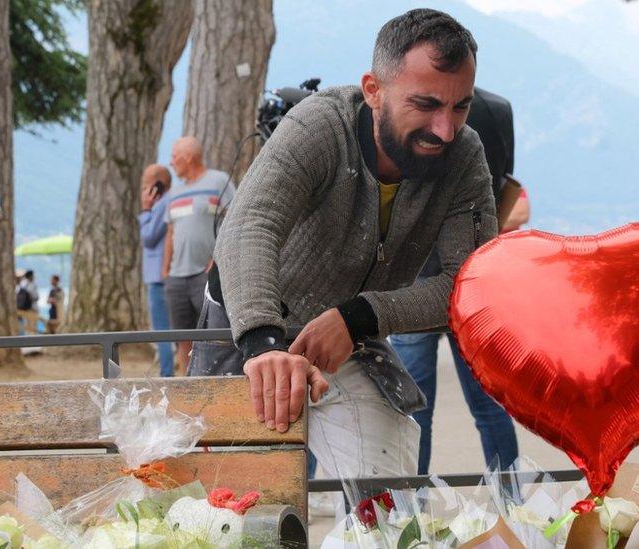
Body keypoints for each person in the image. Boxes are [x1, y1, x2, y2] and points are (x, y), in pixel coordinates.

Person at [189, 9, 496, 495]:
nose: (445, 130)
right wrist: (264, 344)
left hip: (351, 329)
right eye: (425, 104)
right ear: (373, 90)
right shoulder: (319, 126)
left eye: (461, 107)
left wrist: (358, 318)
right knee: (232, 498)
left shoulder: (465, 156)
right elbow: (249, 225)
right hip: (249, 323)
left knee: (388, 494)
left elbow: (473, 287)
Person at [388, 87, 523, 475]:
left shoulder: (414, 108)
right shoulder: (499, 108)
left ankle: (414, 507)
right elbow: (506, 181)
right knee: (488, 403)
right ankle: (513, 504)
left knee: (417, 408)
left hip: (416, 275)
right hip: (477, 277)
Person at [163, 137, 234, 373]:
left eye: (174, 157)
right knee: (181, 335)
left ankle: (212, 378)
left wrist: (219, 256)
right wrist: (165, 271)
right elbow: (170, 231)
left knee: (211, 333)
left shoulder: (218, 181)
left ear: (188, 157)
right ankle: (186, 384)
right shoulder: (174, 192)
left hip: (205, 273)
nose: (171, 163)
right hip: (176, 276)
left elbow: (234, 217)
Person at [138, 164, 176, 377]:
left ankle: (166, 374)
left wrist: (145, 210)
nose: (144, 189)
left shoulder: (162, 204)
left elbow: (148, 238)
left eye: (146, 183)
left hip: (158, 276)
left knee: (162, 329)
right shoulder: (166, 202)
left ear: (157, 184)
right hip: (164, 275)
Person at [16, 269, 39, 334]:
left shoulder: (22, 284)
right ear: (31, 276)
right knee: (33, 328)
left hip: (24, 309)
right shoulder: (32, 285)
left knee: (27, 327)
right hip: (32, 308)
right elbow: (36, 297)